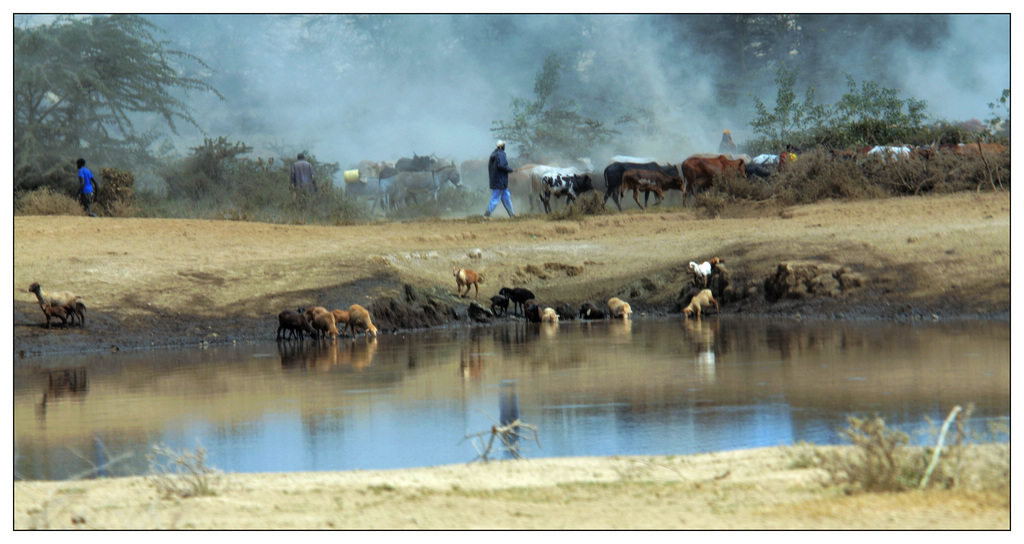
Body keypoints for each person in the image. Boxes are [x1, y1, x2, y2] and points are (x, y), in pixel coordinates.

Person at [484, 140, 515, 218]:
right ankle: (487, 215)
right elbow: (501, 166)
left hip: (499, 181)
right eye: (504, 145)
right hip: (500, 181)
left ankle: (512, 215)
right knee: (495, 198)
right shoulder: (501, 155)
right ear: (502, 146)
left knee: (506, 197)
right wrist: (510, 169)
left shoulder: (493, 154)